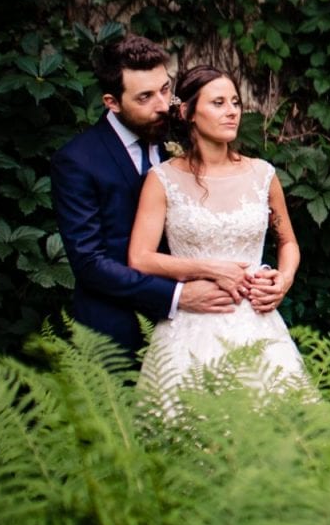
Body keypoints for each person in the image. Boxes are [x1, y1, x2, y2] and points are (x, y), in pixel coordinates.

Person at [129, 63, 310, 410]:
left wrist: (283, 281)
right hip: (191, 324)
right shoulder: (162, 180)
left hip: (257, 324)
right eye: (218, 103)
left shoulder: (262, 175)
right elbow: (140, 257)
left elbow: (287, 242)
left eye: (235, 103)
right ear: (187, 112)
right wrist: (210, 269)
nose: (231, 112)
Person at [50, 36, 236, 355]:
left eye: (165, 89)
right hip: (113, 333)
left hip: (193, 330)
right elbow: (91, 263)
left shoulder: (180, 142)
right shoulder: (77, 160)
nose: (163, 105)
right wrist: (177, 296)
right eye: (145, 97)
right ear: (112, 102)